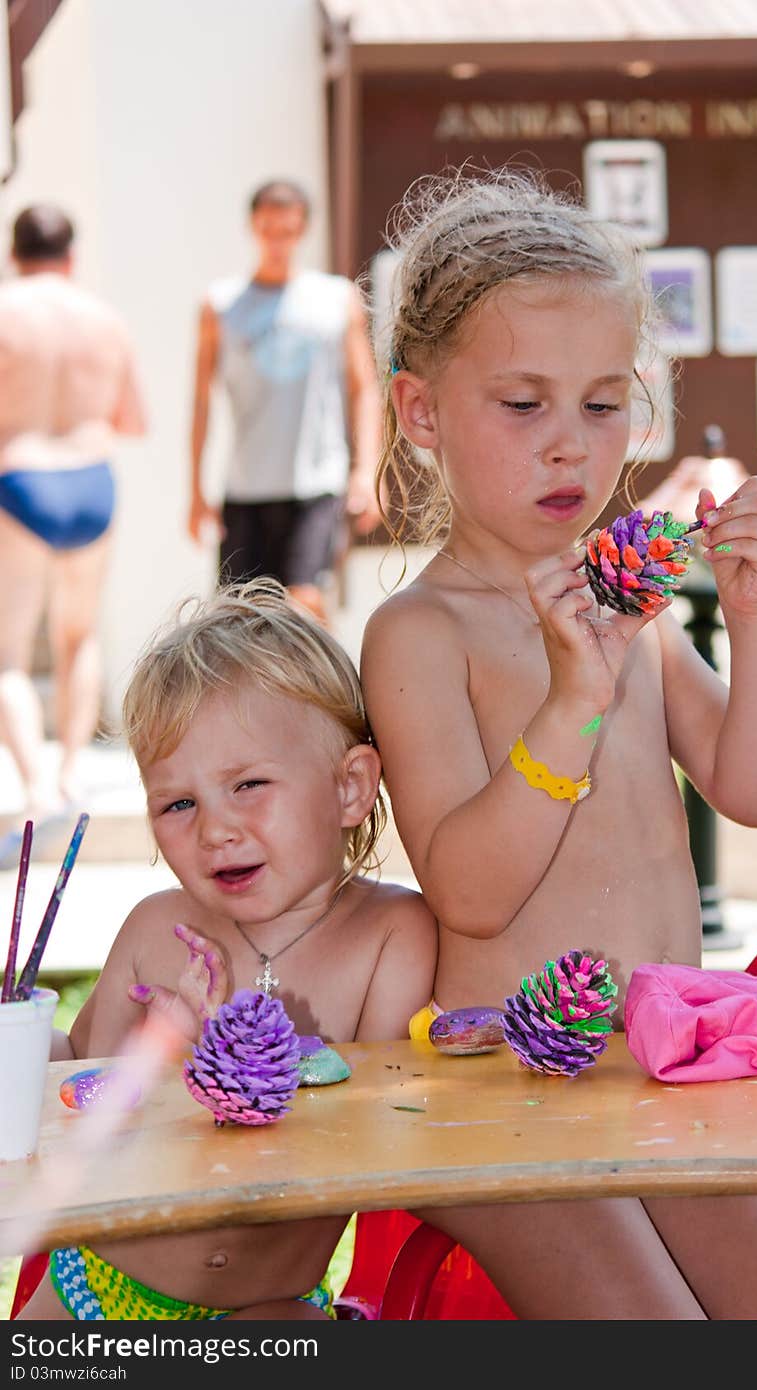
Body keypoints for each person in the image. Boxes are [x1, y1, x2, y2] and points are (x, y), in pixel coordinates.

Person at [359, 169, 757, 1319]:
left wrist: (754, 615)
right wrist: (572, 699)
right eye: (522, 404)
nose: (568, 449)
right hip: (509, 1091)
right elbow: (474, 893)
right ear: (422, 412)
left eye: (599, 405)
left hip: (668, 1062)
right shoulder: (418, 631)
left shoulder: (618, 600)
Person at [17, 579, 436, 1320]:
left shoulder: (391, 938)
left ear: (350, 787)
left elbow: (377, 1137)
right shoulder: (155, 932)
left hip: (268, 1304)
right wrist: (21, 1038)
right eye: (178, 804)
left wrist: (227, 1065)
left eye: (248, 784)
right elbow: (73, 1086)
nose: (215, 829)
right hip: (94, 1290)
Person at [0, 204, 147, 858]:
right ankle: (70, 775)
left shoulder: (6, 312)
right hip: (91, 481)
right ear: (71, 254)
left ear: (14, 252)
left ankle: (36, 789)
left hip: (21, 476)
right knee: (77, 634)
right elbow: (133, 419)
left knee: (7, 652)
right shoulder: (104, 319)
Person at [188, 179, 383, 627]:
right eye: (268, 229)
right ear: (253, 227)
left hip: (316, 484)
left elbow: (364, 387)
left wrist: (367, 470)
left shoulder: (335, 298)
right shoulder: (221, 306)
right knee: (238, 621)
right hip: (246, 488)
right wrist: (196, 490)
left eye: (288, 230)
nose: (278, 241)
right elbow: (201, 400)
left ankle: (328, 694)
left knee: (304, 603)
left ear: (303, 231)